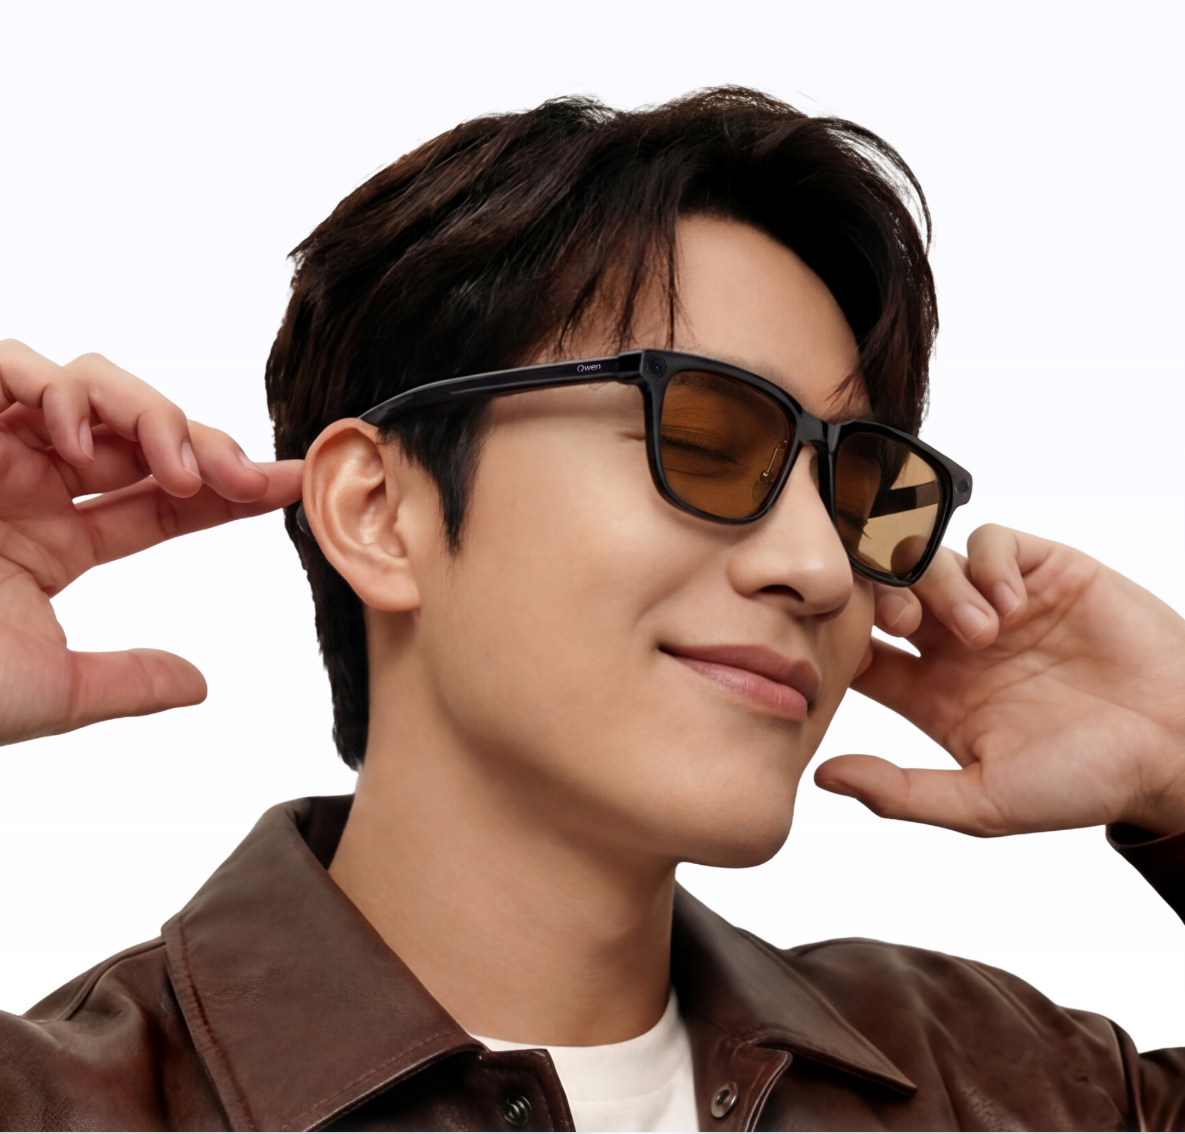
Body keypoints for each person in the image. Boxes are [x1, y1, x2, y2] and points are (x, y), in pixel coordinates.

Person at [1, 87, 1183, 1131]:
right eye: (707, 437)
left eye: (859, 491)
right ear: (378, 511)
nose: (824, 569)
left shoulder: (1003, 1084)